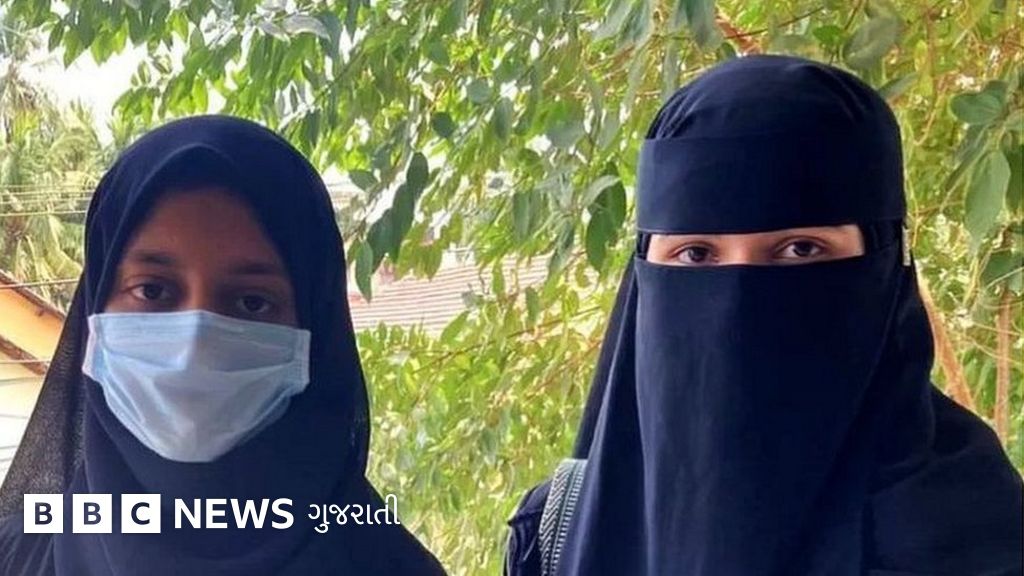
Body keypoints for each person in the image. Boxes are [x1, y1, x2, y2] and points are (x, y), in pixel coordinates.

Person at [505, 55, 1023, 576]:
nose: (737, 307)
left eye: (801, 249)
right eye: (695, 254)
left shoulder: (974, 536)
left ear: (886, 262)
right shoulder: (559, 529)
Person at [0, 116, 447, 575]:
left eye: (252, 302)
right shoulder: (16, 558)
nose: (195, 346)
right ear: (97, 303)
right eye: (153, 290)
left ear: (315, 327)